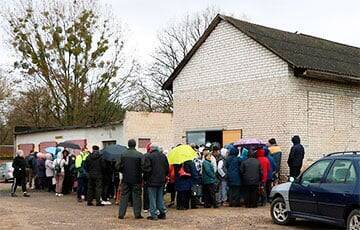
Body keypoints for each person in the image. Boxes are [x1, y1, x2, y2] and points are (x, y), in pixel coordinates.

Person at [117, 139, 144, 219]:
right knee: (137, 197)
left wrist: (123, 170)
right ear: (135, 145)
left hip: (126, 178)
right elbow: (143, 167)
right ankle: (137, 214)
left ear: (128, 145)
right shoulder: (140, 155)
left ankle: (121, 214)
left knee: (124, 196)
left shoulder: (123, 154)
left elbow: (117, 166)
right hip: (136, 179)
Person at [142, 145, 169, 221]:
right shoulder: (163, 156)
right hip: (161, 180)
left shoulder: (149, 156)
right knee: (160, 197)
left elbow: (146, 169)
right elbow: (167, 168)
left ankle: (154, 215)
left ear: (151, 149)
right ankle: (162, 213)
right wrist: (164, 176)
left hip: (151, 181)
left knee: (152, 198)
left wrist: (146, 178)